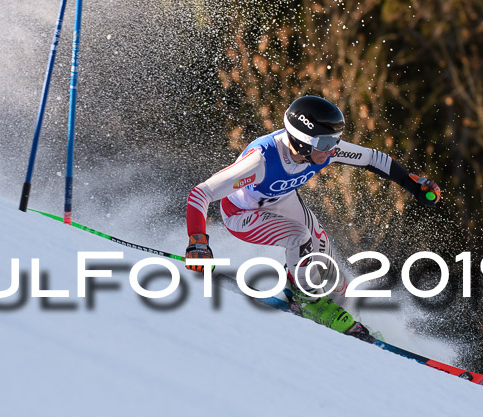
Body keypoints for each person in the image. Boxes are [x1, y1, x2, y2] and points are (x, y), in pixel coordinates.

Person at [184, 96, 440, 341]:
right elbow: (201, 193)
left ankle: (345, 317)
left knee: (326, 263)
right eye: (327, 144)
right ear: (303, 142)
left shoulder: (322, 148)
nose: (333, 150)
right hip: (243, 214)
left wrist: (413, 184)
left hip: (280, 200)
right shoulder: (261, 160)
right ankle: (307, 301)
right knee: (299, 237)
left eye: (335, 141)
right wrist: (198, 242)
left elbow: (373, 159)